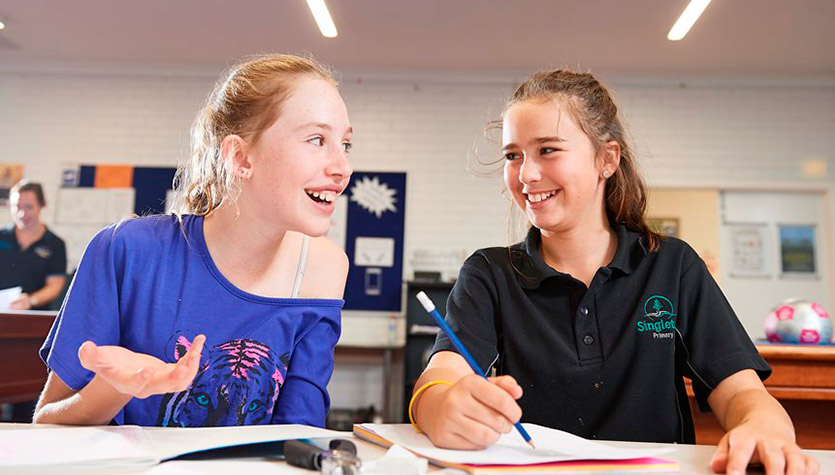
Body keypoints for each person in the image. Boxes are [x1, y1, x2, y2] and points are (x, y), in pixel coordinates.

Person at [410, 69, 819, 474]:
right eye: (513, 155)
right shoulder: (490, 273)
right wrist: (440, 405)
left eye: (548, 150)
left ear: (607, 159)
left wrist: (764, 425)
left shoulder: (672, 265)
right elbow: (439, 379)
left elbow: (742, 392)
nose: (526, 174)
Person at [33, 54, 353, 427]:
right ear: (240, 156)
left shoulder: (324, 269)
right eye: (317, 140)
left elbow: (300, 434)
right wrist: (119, 387)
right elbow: (47, 425)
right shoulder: (126, 251)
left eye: (345, 144)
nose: (342, 168)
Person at [0, 181, 67, 310]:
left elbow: (55, 285)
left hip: (34, 317)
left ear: (42, 205)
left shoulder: (55, 244)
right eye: (17, 206)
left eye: (29, 207)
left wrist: (31, 300)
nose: (22, 213)